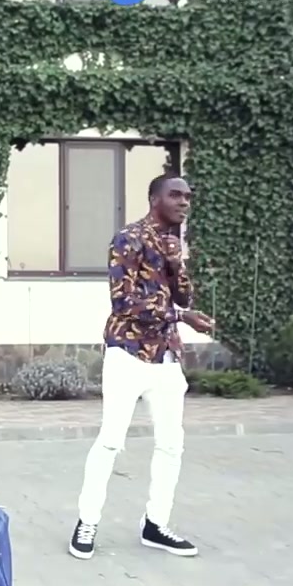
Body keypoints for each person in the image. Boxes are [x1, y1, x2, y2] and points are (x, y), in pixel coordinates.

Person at [69, 174, 214, 561]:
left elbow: (184, 296)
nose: (184, 202)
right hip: (128, 352)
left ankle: (156, 525)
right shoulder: (127, 239)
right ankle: (87, 521)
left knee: (171, 444)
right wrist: (181, 315)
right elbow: (123, 301)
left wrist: (176, 263)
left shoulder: (172, 243)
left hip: (166, 356)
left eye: (188, 197)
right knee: (110, 441)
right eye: (175, 195)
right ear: (154, 199)